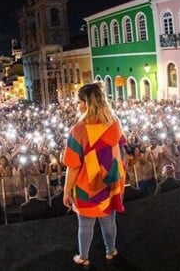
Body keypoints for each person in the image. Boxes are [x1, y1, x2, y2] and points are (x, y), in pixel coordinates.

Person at [62, 83, 126, 267]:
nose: (77, 105)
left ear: (88, 103)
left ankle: (83, 257)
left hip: (87, 187)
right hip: (112, 183)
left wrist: (66, 191)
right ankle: (111, 251)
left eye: (79, 102)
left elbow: (73, 166)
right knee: (109, 221)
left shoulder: (78, 130)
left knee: (85, 225)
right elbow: (120, 148)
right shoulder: (115, 122)